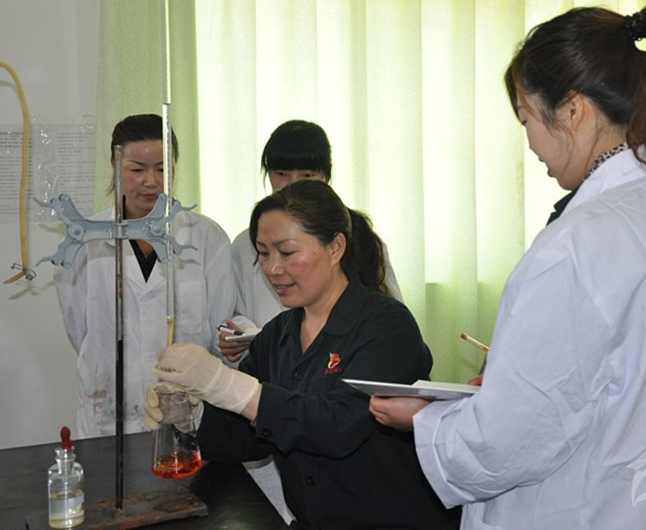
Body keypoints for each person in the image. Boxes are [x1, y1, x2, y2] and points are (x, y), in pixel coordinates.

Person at [369, 0, 646, 528]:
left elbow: (510, 439)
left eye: (526, 117)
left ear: (572, 110)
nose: (530, 142)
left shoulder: (579, 242)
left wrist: (428, 420)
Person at [147, 179, 460, 530]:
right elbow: (247, 439)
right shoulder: (277, 335)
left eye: (287, 253)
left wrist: (227, 385)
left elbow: (337, 426)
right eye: (263, 253)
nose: (272, 268)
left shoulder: (387, 326)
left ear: (335, 247)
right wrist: (194, 415)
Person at [54, 113, 236, 438]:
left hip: (187, 410)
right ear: (115, 165)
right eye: (137, 169)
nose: (151, 181)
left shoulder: (207, 238)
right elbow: (79, 329)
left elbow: (220, 325)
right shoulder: (86, 242)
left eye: (163, 169)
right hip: (109, 416)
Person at [219, 119, 402, 363]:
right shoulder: (247, 242)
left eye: (307, 174)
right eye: (281, 174)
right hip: (275, 362)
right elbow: (234, 310)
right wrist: (241, 334)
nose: (294, 183)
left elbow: (389, 313)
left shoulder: (360, 236)